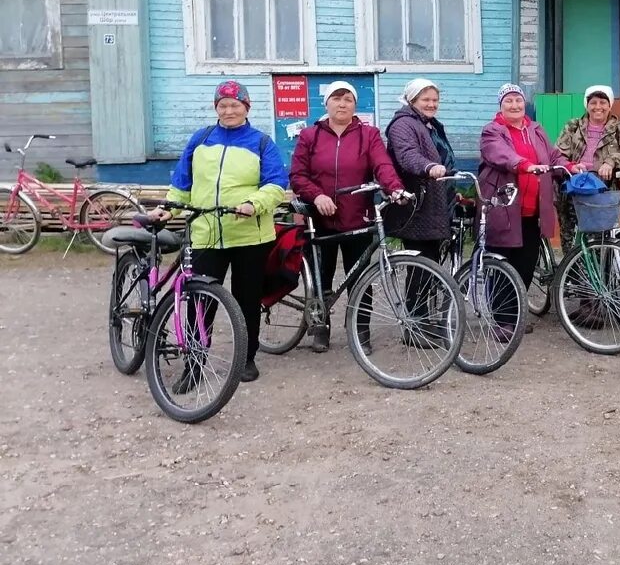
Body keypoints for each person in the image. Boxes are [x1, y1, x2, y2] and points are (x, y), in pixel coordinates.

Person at [154, 80, 289, 384]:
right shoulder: (200, 140)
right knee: (200, 301)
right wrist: (169, 208)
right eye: (223, 105)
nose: (229, 110)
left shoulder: (262, 142)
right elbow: (183, 183)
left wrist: (254, 203)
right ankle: (194, 362)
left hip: (249, 236)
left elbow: (275, 185)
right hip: (206, 233)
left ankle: (246, 358)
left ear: (247, 107)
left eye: (235, 105)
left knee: (246, 299)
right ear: (216, 108)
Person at [289, 81, 405, 352]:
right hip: (320, 220)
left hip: (358, 219)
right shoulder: (310, 136)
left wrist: (395, 188)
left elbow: (383, 165)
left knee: (361, 281)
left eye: (348, 99)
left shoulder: (369, 135)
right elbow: (298, 175)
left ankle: (360, 330)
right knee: (321, 278)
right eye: (336, 99)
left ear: (355, 105)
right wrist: (316, 195)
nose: (342, 104)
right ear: (326, 104)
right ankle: (320, 326)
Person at [478, 83, 565, 288]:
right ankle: (501, 318)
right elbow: (500, 154)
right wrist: (525, 165)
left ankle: (516, 314)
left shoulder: (536, 129)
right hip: (504, 209)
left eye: (518, 100)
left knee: (525, 266)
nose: (515, 105)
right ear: (501, 105)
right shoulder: (492, 131)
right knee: (502, 266)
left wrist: (570, 166)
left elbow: (553, 157)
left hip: (532, 212)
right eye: (509, 101)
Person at [554, 85, 620, 246]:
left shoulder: (619, 129)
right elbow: (556, 156)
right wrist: (571, 166)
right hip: (574, 193)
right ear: (586, 105)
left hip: (604, 194)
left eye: (603, 102)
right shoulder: (572, 127)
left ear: (610, 105)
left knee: (603, 243)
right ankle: (572, 271)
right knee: (573, 245)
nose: (598, 107)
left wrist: (612, 160)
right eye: (593, 102)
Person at [384, 78, 457, 263]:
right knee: (421, 270)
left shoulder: (431, 125)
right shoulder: (402, 124)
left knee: (432, 267)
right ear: (412, 100)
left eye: (435, 100)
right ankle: (417, 294)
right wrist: (429, 167)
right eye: (426, 100)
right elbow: (407, 155)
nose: (432, 104)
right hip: (417, 207)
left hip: (435, 205)